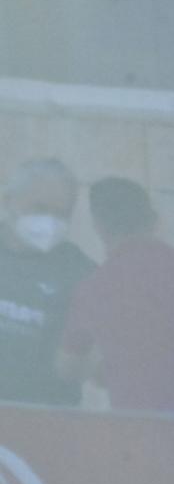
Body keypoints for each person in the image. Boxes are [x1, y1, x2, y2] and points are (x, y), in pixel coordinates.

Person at [65, 177, 174, 414]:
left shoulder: (95, 288)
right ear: (153, 219)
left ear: (98, 225)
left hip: (139, 430)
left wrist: (112, 367)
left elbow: (68, 365)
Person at [0, 158, 94, 406]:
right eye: (38, 208)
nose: (49, 221)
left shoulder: (80, 272)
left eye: (61, 213)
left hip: (46, 420)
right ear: (9, 201)